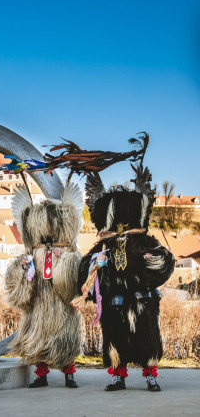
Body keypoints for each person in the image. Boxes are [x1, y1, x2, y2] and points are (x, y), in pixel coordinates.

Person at [78, 162, 174, 391]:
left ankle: (151, 376)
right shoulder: (104, 246)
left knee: (147, 337)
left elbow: (166, 263)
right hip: (114, 301)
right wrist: (95, 263)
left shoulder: (146, 242)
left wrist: (154, 259)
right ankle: (118, 376)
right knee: (114, 337)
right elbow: (83, 272)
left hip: (142, 299)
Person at [5, 181, 83, 388]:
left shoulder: (68, 251)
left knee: (65, 337)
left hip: (62, 303)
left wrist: (65, 260)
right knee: (37, 337)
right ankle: (41, 375)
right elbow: (20, 276)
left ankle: (69, 374)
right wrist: (22, 268)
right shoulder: (35, 252)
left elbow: (77, 273)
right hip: (38, 302)